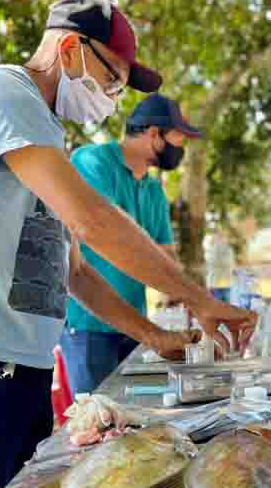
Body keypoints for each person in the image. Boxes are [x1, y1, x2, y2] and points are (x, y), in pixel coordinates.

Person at [0, 0, 255, 488]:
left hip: (22, 363)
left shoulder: (42, 133)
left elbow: (73, 270)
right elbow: (92, 219)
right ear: (69, 49)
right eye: (111, 78)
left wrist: (155, 337)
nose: (111, 97)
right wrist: (200, 301)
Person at [60, 93, 201, 396]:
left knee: (131, 419)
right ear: (154, 134)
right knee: (95, 422)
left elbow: (165, 255)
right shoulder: (92, 162)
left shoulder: (153, 190)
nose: (182, 148)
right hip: (89, 325)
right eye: (179, 138)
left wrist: (186, 297)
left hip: (136, 325)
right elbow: (103, 232)